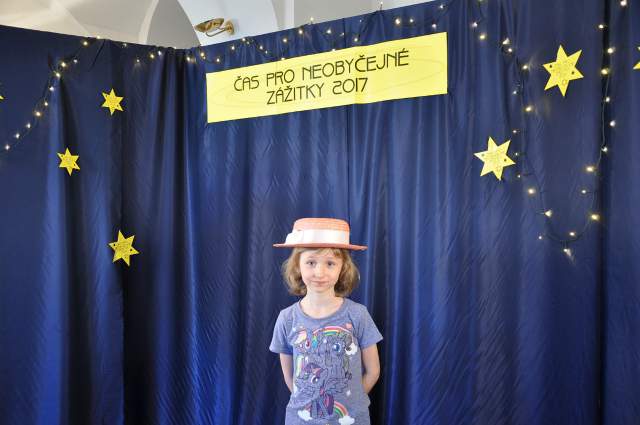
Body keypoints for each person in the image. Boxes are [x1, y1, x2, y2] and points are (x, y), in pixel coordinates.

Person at [270, 218, 383, 425]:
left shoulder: (358, 315)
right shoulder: (287, 318)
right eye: (311, 262)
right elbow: (291, 378)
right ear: (298, 266)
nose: (319, 273)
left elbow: (373, 370)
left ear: (342, 268)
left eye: (330, 263)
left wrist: (352, 402)